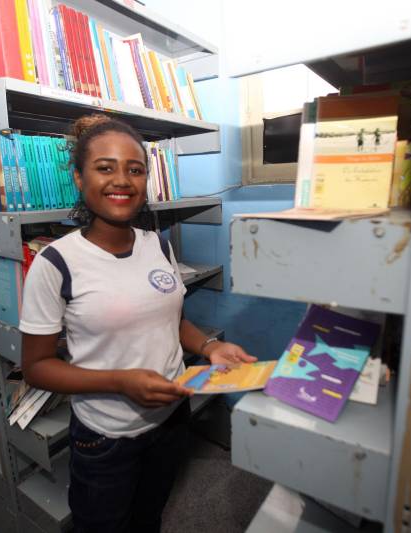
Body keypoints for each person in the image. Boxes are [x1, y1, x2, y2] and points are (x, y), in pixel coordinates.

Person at [19, 114, 255, 533]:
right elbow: (37, 367)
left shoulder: (158, 245)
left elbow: (173, 319)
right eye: (105, 168)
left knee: (149, 519)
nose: (122, 180)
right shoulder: (55, 262)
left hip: (171, 420)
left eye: (135, 169)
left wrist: (209, 348)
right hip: (106, 436)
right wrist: (120, 381)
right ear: (78, 177)